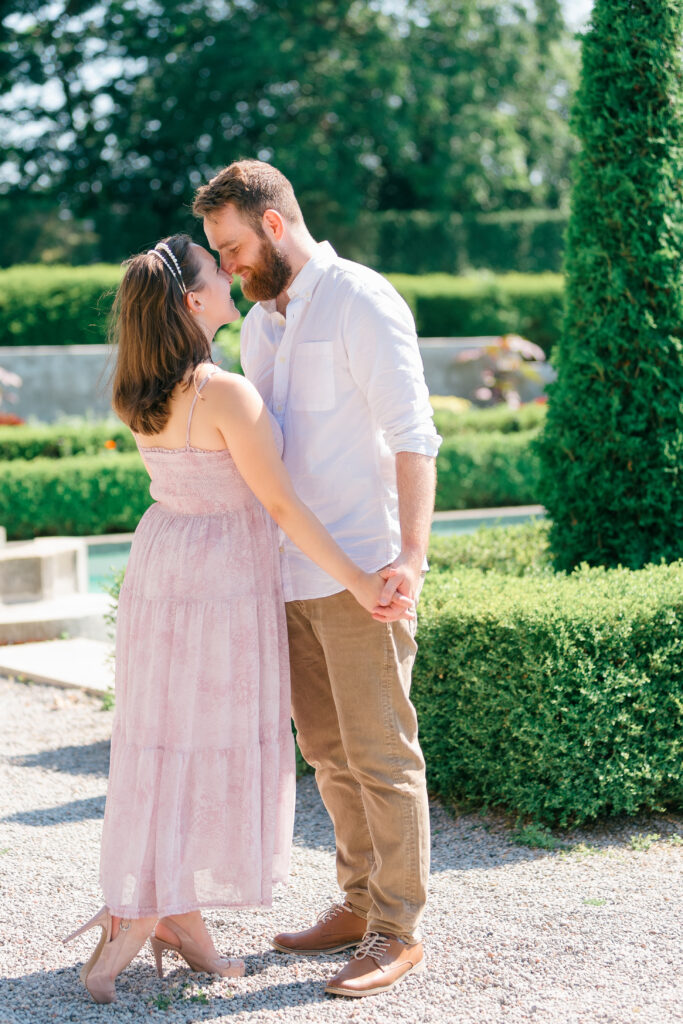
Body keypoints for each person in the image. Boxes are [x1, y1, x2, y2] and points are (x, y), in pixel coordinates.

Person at [63, 234, 412, 1004]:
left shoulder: (138, 386)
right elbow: (281, 502)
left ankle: (168, 908)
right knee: (210, 740)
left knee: (162, 737)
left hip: (163, 564)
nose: (229, 276)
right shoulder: (224, 391)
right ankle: (147, 908)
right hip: (224, 575)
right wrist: (358, 578)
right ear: (193, 303)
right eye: (214, 272)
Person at [193, 161, 441, 998]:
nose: (227, 267)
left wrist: (409, 556)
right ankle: (357, 899)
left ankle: (396, 931)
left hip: (362, 570)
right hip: (285, 574)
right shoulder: (261, 324)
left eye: (229, 249)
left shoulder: (361, 299)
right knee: (329, 754)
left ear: (270, 224)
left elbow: (415, 434)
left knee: (380, 754)